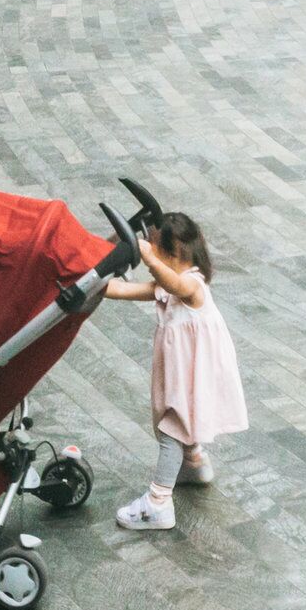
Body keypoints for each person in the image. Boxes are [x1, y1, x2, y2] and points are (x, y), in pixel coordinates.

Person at [103, 209, 245, 534]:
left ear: (173, 254)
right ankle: (193, 463)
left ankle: (158, 502)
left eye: (157, 251)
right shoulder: (168, 285)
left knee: (172, 429)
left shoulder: (191, 284)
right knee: (184, 422)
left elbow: (176, 283)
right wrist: (88, 284)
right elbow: (124, 291)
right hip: (188, 373)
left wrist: (148, 257)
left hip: (192, 375)